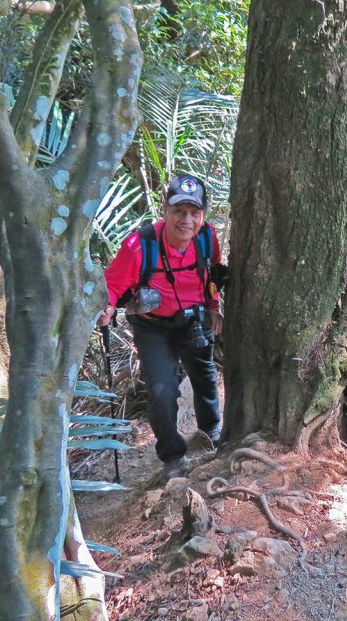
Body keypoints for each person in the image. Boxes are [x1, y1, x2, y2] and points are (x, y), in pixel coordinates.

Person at [97, 174, 224, 479]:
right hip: (153, 327)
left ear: (203, 215)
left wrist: (214, 305)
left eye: (194, 213)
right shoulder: (139, 245)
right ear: (164, 209)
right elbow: (112, 286)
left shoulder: (207, 237)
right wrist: (106, 307)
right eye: (179, 211)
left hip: (193, 319)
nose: (187, 221)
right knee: (161, 391)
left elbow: (214, 274)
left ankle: (211, 431)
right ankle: (172, 457)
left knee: (205, 377)